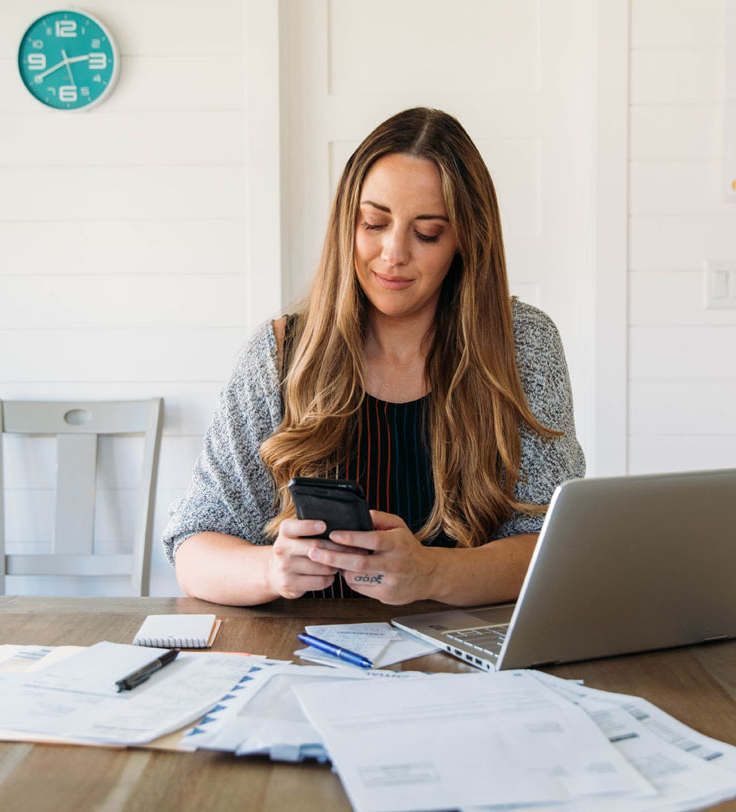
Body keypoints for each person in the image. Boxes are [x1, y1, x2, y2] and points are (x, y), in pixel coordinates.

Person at [164, 107, 584, 606]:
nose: (393, 252)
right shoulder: (280, 354)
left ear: (466, 241)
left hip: (465, 665)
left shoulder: (523, 345)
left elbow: (554, 548)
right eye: (373, 223)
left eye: (427, 232)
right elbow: (193, 547)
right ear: (347, 224)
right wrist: (270, 570)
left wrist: (430, 573)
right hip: (306, 661)